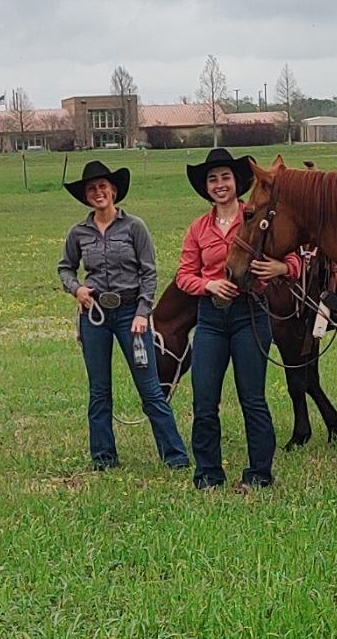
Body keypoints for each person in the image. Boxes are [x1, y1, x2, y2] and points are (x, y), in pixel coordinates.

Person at [177, 148, 301, 491]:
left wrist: (281, 268)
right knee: (204, 399)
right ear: (206, 187)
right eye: (213, 179)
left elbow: (294, 258)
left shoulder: (257, 216)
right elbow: (184, 275)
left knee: (253, 398)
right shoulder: (198, 228)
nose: (219, 185)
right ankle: (208, 473)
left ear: (237, 183)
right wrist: (208, 283)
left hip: (250, 313)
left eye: (225, 178)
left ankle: (259, 473)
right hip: (211, 317)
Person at [57, 159, 189, 473]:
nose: (98, 192)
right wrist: (76, 289)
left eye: (103, 186)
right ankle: (104, 458)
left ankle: (175, 456)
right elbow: (65, 267)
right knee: (99, 390)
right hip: (96, 315)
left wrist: (143, 312)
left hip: (132, 314)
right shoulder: (79, 233)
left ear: (114, 191)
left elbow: (149, 273)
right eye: (91, 189)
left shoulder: (134, 227)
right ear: (86, 196)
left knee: (150, 387)